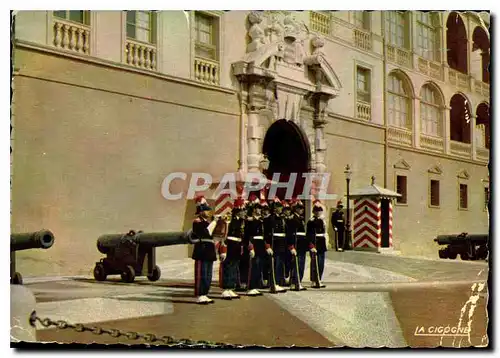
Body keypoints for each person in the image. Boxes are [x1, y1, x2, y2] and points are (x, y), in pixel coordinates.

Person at [191, 196, 218, 304]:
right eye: (206, 210)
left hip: (209, 251)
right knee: (201, 273)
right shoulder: (197, 222)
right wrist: (214, 222)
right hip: (201, 250)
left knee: (208, 274)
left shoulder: (207, 222)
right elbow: (206, 233)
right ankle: (199, 294)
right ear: (201, 210)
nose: (208, 212)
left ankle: (205, 293)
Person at [219, 197, 246, 300]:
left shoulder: (242, 221)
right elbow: (224, 235)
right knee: (228, 267)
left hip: (237, 246)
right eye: (243, 210)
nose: (244, 212)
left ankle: (230, 288)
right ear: (238, 211)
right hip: (229, 245)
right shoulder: (229, 219)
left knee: (234, 267)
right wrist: (223, 250)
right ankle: (225, 289)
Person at [244, 196, 265, 296]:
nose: (260, 210)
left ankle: (255, 285)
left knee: (258, 266)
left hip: (260, 245)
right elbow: (248, 235)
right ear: (253, 210)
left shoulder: (261, 221)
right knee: (252, 266)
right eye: (257, 208)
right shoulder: (249, 221)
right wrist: (250, 247)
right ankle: (250, 286)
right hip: (253, 244)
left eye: (260, 208)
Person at [307, 199, 328, 289]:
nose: (318, 213)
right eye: (317, 211)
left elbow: (324, 232)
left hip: (321, 242)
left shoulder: (322, 221)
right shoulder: (311, 221)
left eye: (320, 211)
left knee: (321, 262)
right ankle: (313, 280)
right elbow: (309, 234)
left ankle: (319, 279)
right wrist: (311, 245)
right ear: (314, 212)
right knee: (314, 262)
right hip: (315, 242)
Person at [269, 198, 287, 293]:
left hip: (281, 243)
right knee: (275, 264)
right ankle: (273, 283)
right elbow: (269, 232)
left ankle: (278, 282)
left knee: (280, 264)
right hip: (275, 243)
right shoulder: (272, 218)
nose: (280, 209)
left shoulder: (281, 218)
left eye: (280, 208)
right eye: (278, 208)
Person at [289, 198, 307, 290]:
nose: (301, 210)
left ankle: (299, 281)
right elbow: (291, 233)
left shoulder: (301, 219)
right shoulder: (293, 219)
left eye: (302, 208)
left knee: (301, 264)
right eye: (299, 208)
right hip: (296, 243)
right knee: (296, 264)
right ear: (295, 209)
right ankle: (294, 282)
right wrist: (291, 246)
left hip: (302, 244)